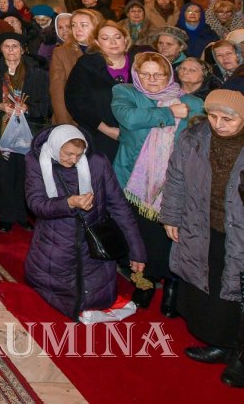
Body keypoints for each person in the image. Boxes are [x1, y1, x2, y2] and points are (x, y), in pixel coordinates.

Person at [161, 89, 244, 384]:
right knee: (213, 286)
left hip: (240, 231)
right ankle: (222, 343)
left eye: (228, 119)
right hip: (204, 224)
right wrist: (171, 215)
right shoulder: (193, 138)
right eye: (213, 116)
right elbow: (176, 178)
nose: (219, 124)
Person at [111, 52, 204, 312]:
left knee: (171, 237)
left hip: (175, 182)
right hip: (134, 181)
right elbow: (129, 119)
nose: (152, 79)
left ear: (169, 74)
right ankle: (145, 283)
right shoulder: (125, 92)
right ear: (136, 74)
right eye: (146, 74)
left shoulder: (193, 102)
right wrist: (169, 112)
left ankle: (172, 286)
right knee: (140, 235)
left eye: (159, 74)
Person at [24, 124, 146, 320]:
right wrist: (69, 203)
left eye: (79, 155)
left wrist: (137, 251)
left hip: (94, 247)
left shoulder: (97, 163)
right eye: (68, 154)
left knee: (98, 299)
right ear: (55, 147)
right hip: (55, 247)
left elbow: (119, 207)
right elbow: (36, 204)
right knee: (54, 300)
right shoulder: (36, 162)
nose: (73, 160)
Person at [0, 31, 51, 233]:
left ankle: (22, 214)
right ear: (0, 49)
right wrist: (0, 106)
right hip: (0, 130)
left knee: (24, 174)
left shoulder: (37, 72)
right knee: (4, 174)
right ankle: (6, 216)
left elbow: (47, 105)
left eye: (15, 46)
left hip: (27, 131)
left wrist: (28, 108)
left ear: (23, 49)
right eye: (6, 46)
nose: (11, 50)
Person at [66, 20, 131, 160]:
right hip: (99, 136)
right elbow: (75, 103)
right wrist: (106, 129)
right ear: (97, 42)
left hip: (136, 136)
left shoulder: (139, 64)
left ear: (125, 40)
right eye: (105, 38)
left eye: (117, 37)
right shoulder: (86, 65)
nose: (113, 42)